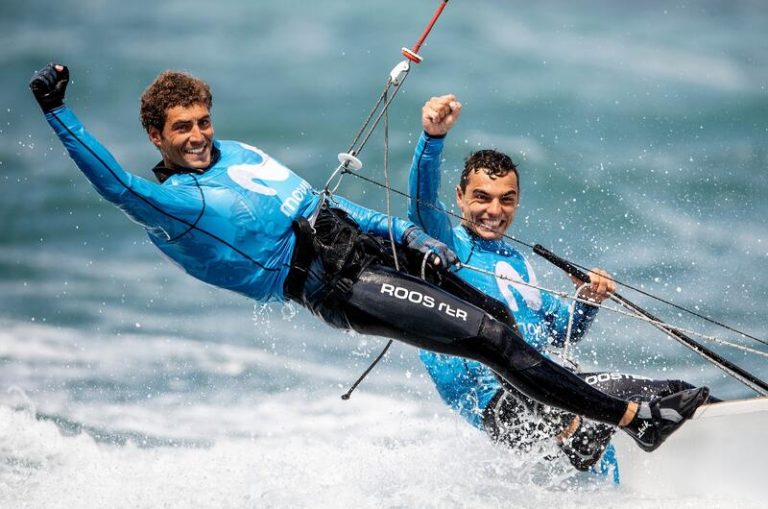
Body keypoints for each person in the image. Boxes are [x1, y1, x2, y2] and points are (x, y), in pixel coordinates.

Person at [29, 62, 709, 455]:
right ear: (158, 135)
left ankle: (590, 411)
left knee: (498, 310)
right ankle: (628, 421)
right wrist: (59, 112)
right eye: (184, 128)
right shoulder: (173, 205)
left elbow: (325, 204)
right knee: (490, 337)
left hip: (363, 248)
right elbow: (115, 186)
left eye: (204, 120)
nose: (200, 135)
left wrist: (405, 235)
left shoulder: (238, 154)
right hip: (334, 287)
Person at [408, 94, 709, 471]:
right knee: (624, 404)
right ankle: (584, 438)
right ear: (459, 198)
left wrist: (586, 300)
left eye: (507, 200)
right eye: (482, 198)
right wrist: (432, 138)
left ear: (517, 203)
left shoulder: (517, 264)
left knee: (674, 392)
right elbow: (420, 206)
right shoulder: (445, 248)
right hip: (497, 406)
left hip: (548, 387)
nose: (494, 211)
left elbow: (559, 332)